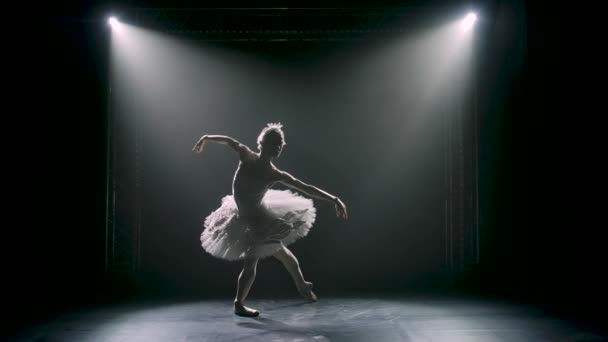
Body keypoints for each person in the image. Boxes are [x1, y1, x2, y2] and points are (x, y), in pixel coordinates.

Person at [193, 122, 348, 317]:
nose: (278, 148)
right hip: (242, 215)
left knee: (259, 259)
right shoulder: (247, 156)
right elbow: (228, 140)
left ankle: (240, 303)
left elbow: (306, 187)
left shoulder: (274, 174)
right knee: (279, 253)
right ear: (263, 144)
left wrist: (334, 199)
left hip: (257, 219)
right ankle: (302, 286)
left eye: (280, 145)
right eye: (275, 144)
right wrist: (206, 137)